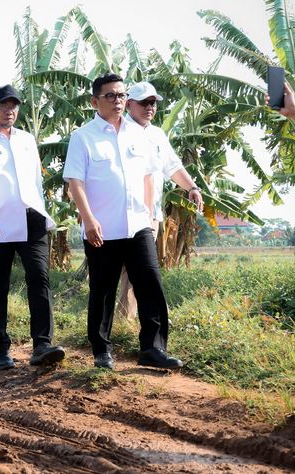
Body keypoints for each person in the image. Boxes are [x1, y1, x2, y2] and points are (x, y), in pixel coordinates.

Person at [63, 73, 182, 370]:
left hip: (138, 225)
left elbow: (148, 176)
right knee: (103, 291)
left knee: (150, 285)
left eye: (121, 95)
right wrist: (89, 219)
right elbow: (75, 183)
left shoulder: (137, 134)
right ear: (95, 101)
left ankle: (153, 348)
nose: (117, 101)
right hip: (102, 228)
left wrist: (148, 215)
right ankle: (102, 350)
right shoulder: (83, 137)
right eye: (111, 96)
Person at [0, 85, 66, 369]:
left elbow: (35, 179)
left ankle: (42, 344)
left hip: (31, 219)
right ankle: (1, 348)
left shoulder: (26, 139)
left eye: (13, 106)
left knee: (39, 277)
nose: (9, 111)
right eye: (3, 106)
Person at [116, 82, 204, 319]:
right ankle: (128, 319)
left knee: (140, 267)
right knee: (127, 268)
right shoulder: (118, 131)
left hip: (151, 213)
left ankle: (130, 318)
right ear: (129, 104)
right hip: (123, 211)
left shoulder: (157, 134)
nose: (150, 107)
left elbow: (172, 166)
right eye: (144, 102)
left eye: (153, 103)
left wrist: (192, 187)